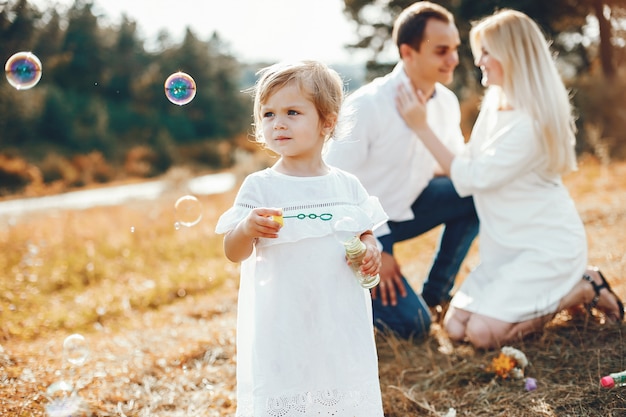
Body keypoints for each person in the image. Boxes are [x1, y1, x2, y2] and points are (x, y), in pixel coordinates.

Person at [395, 9, 625, 350]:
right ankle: (560, 291)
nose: (479, 61)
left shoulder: (532, 123)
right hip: (505, 248)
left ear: (512, 55)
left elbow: (471, 177)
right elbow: (467, 159)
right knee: (456, 327)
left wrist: (420, 126)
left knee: (483, 335)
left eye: (486, 52)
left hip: (545, 248)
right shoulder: (496, 104)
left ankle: (583, 287)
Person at [215, 61, 388, 417]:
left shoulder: (346, 186)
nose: (277, 123)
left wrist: (371, 248)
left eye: (292, 112)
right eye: (268, 113)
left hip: (337, 316)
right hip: (282, 319)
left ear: (327, 122)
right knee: (288, 385)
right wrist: (247, 228)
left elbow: (366, 232)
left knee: (336, 380)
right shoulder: (261, 187)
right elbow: (233, 252)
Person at [325, 1, 479, 340]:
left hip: (408, 207)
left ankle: (436, 296)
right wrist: (379, 245)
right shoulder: (367, 105)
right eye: (441, 50)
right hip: (360, 227)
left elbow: (458, 170)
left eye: (454, 48)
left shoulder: (446, 102)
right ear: (407, 52)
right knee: (414, 328)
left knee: (474, 195)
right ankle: (343, 302)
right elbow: (330, 185)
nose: (453, 59)